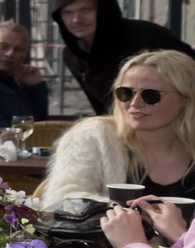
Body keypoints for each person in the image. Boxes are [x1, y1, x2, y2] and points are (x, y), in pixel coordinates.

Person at [39, 49, 195, 208]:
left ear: (185, 98)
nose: (134, 103)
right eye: (125, 93)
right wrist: (134, 213)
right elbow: (60, 201)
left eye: (150, 95)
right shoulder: (93, 136)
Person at [51, 0, 195, 115]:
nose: (76, 19)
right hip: (125, 129)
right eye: (68, 12)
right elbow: (102, 109)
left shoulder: (148, 37)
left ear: (105, 8)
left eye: (86, 10)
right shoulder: (72, 55)